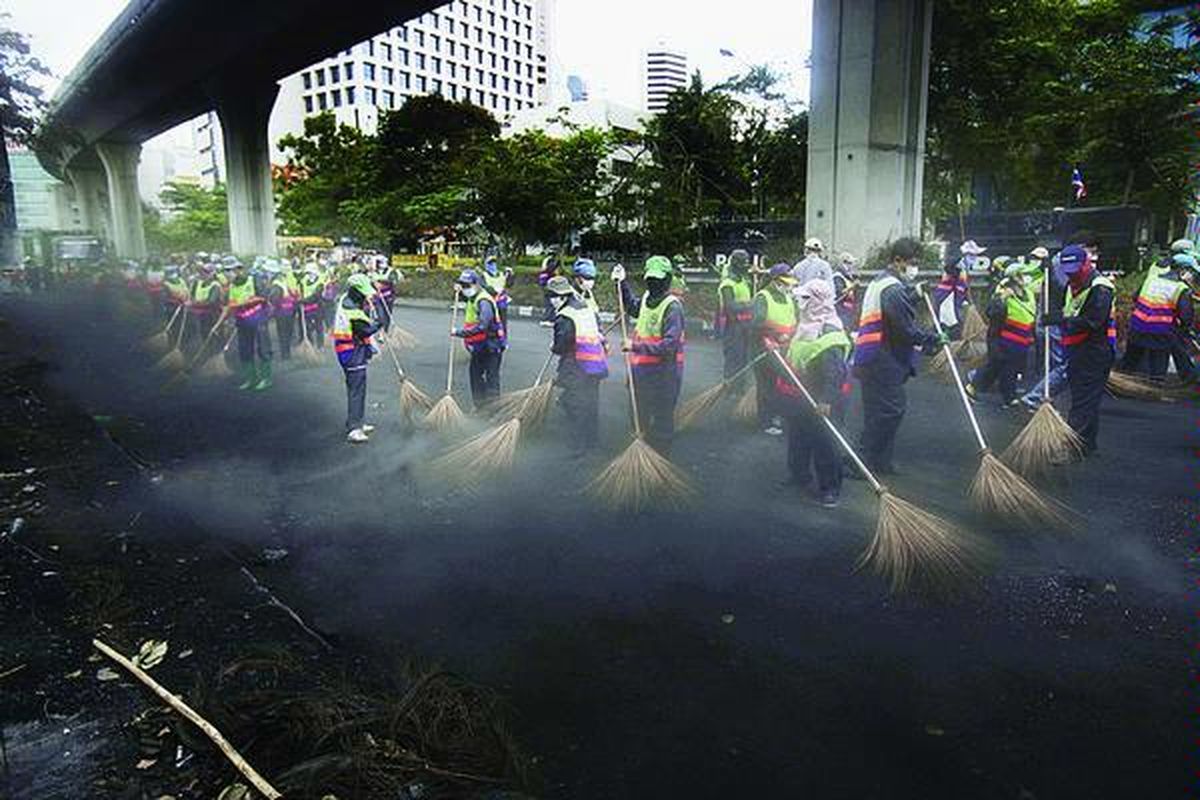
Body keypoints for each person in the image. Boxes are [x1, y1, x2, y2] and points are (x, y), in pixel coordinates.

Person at [852, 237, 942, 475]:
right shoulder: (892, 289)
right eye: (911, 263)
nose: (914, 268)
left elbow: (895, 305)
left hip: (872, 354)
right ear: (897, 260)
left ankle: (879, 461)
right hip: (883, 356)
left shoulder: (883, 282)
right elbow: (904, 329)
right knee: (890, 410)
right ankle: (862, 461)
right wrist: (931, 338)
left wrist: (914, 292)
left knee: (876, 411)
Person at [771, 278, 851, 507]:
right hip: (802, 393)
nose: (801, 303)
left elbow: (834, 371)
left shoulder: (829, 330)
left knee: (825, 441)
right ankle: (799, 475)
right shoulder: (806, 325)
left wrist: (826, 400)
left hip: (824, 396)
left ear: (819, 301)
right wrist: (781, 348)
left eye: (806, 299)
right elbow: (800, 354)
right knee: (798, 436)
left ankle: (830, 487)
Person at [1047, 244, 1115, 456]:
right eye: (1068, 272)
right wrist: (1056, 316)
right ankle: (1086, 445)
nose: (1072, 275)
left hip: (1094, 351)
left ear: (1086, 264)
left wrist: (1062, 320)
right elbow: (1072, 309)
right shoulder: (1073, 283)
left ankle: (1070, 446)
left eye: (1076, 270)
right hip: (1077, 348)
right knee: (1086, 398)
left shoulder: (1100, 288)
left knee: (1082, 402)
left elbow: (1094, 321)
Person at [612, 256, 685, 455]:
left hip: (664, 375)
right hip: (641, 373)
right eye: (650, 279)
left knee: (662, 421)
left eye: (658, 280)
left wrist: (635, 346)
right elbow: (632, 307)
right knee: (638, 418)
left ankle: (660, 460)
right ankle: (641, 455)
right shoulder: (646, 299)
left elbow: (669, 346)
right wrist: (621, 283)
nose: (654, 283)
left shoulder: (673, 307)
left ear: (668, 279)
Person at [547, 275, 608, 456]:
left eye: (552, 296)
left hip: (578, 364)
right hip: (595, 362)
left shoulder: (565, 316)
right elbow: (597, 329)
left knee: (576, 403)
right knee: (591, 403)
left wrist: (554, 347)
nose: (551, 300)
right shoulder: (584, 307)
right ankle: (592, 442)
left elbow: (561, 345)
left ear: (562, 296)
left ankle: (579, 445)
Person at [966, 266, 1036, 406]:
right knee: (997, 366)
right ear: (1013, 278)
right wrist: (1002, 298)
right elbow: (991, 312)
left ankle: (1008, 395)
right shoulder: (1002, 293)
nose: (1023, 278)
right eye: (1020, 275)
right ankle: (975, 388)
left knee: (1010, 369)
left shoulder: (1028, 293)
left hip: (1021, 340)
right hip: (1002, 339)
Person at [1120, 252, 1194, 382]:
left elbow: (1136, 297)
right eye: (1192, 273)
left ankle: (1122, 381)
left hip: (1137, 326)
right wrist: (1183, 329)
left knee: (1130, 361)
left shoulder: (1151, 279)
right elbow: (1186, 317)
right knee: (1157, 369)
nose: (1193, 277)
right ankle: (1155, 389)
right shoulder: (1181, 288)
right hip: (1160, 332)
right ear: (1183, 271)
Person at [751, 263, 799, 436]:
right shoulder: (762, 297)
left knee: (782, 384)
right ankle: (765, 421)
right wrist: (774, 336)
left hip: (784, 349)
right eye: (785, 282)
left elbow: (795, 320)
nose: (788, 285)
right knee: (766, 385)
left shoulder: (789, 298)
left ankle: (778, 415)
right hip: (764, 348)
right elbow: (756, 323)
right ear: (775, 281)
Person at [333, 273, 381, 443]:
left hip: (350, 350)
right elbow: (366, 330)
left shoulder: (346, 299)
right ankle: (354, 428)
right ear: (355, 291)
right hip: (351, 352)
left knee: (358, 387)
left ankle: (357, 422)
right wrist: (378, 322)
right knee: (356, 389)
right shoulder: (351, 310)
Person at [453, 269, 506, 409]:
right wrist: (459, 290)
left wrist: (459, 333)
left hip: (491, 345)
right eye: (462, 285)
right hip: (480, 345)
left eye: (467, 286)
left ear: (476, 284)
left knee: (491, 378)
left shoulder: (484, 301)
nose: (465, 289)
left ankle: (494, 410)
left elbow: (483, 326)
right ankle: (481, 406)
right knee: (475, 375)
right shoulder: (473, 297)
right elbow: (469, 299)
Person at [226, 260, 274, 391]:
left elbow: (264, 296)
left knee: (263, 348)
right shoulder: (232, 286)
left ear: (239, 270)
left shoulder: (253, 280)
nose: (228, 274)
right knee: (245, 350)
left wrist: (249, 302)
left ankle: (266, 378)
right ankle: (251, 378)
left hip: (258, 319)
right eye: (226, 271)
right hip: (242, 321)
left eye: (230, 270)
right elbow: (231, 303)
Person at [716, 249, 754, 379]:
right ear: (736, 264)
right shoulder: (727, 284)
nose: (746, 267)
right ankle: (730, 390)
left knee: (744, 360)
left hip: (745, 326)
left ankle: (739, 388)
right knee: (734, 360)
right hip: (733, 327)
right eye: (743, 264)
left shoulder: (743, 281)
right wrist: (750, 305)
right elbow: (730, 306)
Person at [932, 241, 979, 340]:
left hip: (955, 302)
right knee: (945, 327)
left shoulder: (964, 271)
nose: (974, 258)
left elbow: (963, 289)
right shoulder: (955, 266)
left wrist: (966, 301)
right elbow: (948, 267)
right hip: (946, 299)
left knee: (954, 327)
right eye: (972, 255)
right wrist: (958, 263)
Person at [188, 262, 224, 357]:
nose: (203, 275)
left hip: (213, 315)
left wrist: (195, 303)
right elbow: (191, 296)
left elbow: (211, 301)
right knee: (203, 333)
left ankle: (216, 354)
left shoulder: (215, 285)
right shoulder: (197, 283)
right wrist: (192, 301)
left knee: (213, 335)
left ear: (212, 274)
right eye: (202, 272)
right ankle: (207, 353)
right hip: (200, 314)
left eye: (206, 273)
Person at [268, 261, 299, 361]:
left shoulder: (277, 285)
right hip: (288, 311)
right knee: (287, 333)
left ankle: (285, 354)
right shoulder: (281, 283)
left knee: (283, 333)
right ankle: (286, 353)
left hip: (282, 312)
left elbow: (274, 299)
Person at [481, 253, 514, 330]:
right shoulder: (483, 275)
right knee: (489, 322)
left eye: (494, 263)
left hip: (501, 302)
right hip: (489, 302)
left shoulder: (502, 274)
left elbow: (509, 284)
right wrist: (493, 292)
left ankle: (502, 339)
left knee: (502, 323)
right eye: (490, 263)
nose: (493, 265)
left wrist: (511, 276)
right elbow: (483, 285)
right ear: (486, 265)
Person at [299, 263, 326, 346]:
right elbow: (301, 289)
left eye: (311, 272)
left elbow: (316, 296)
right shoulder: (304, 281)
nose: (309, 274)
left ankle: (320, 345)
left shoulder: (320, 283)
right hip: (307, 310)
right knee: (308, 328)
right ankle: (310, 344)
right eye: (308, 273)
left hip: (317, 309)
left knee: (319, 328)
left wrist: (303, 300)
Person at [832, 252, 859, 331]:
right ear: (843, 263)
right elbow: (840, 294)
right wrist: (853, 286)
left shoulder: (847, 277)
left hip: (848, 311)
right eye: (849, 263)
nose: (851, 266)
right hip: (841, 311)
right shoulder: (837, 277)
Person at [370, 255, 397, 331]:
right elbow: (370, 281)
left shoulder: (391, 271)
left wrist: (381, 283)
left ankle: (385, 330)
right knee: (380, 315)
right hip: (378, 297)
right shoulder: (373, 273)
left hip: (389, 297)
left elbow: (393, 281)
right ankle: (380, 332)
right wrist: (373, 283)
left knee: (387, 315)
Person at [537, 252, 560, 326]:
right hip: (548, 284)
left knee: (550, 303)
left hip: (545, 284)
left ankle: (549, 318)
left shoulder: (547, 260)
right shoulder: (551, 262)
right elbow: (551, 271)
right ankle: (548, 319)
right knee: (551, 303)